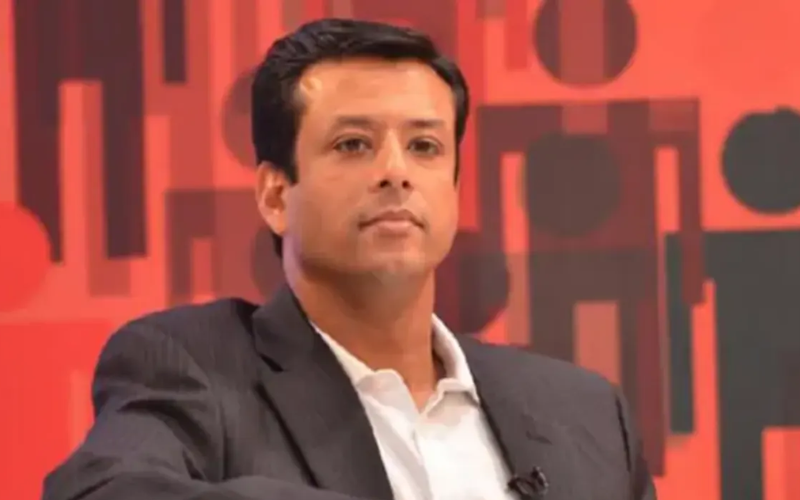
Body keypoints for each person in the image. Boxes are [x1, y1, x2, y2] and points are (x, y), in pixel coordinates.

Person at [42, 18, 655, 500]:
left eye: (424, 146)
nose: (396, 172)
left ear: (454, 188)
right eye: (353, 144)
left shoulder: (586, 414)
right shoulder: (195, 369)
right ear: (275, 195)